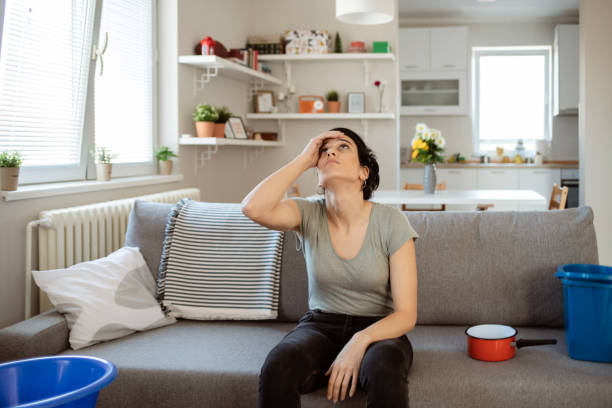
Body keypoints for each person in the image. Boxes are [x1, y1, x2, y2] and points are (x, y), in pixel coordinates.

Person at [241, 127, 419, 407]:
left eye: (343, 147)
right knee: (278, 364)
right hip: (320, 326)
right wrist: (303, 159)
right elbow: (253, 208)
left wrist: (360, 340)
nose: (330, 152)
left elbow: (406, 315)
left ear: (363, 172)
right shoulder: (308, 212)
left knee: (383, 367)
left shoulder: (391, 222)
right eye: (324, 151)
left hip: (378, 330)